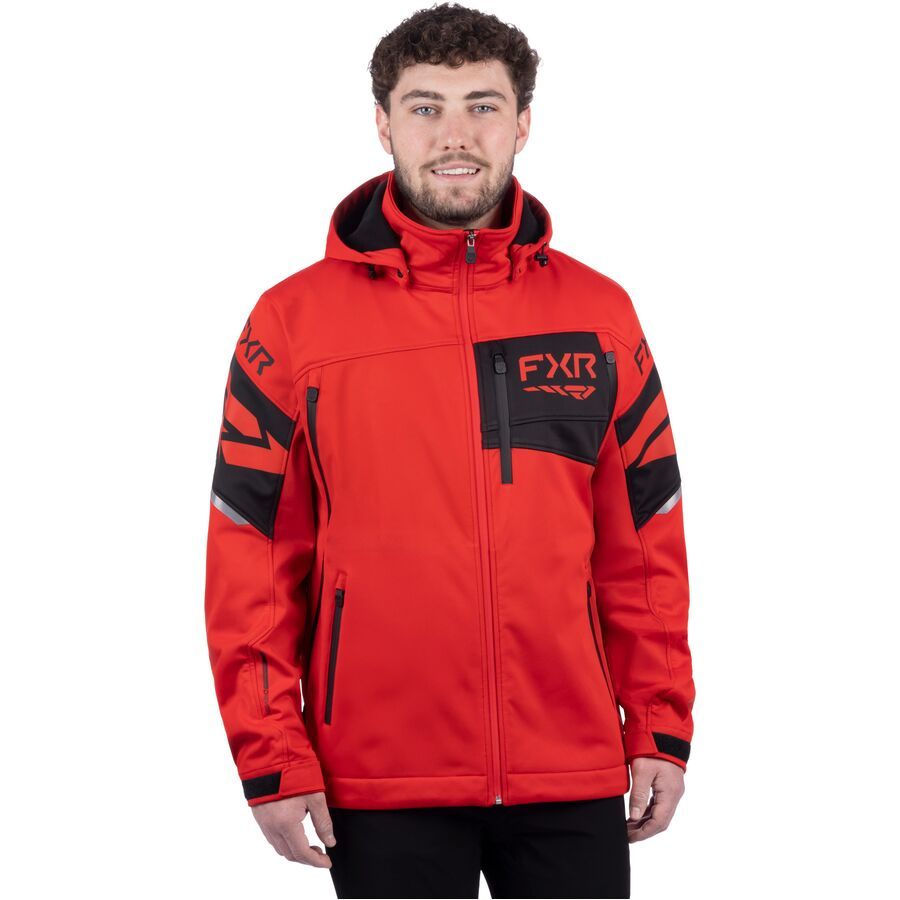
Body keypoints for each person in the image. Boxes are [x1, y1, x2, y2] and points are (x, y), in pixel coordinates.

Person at [204, 3, 695, 897]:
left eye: (483, 105)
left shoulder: (599, 315)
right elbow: (254, 557)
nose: (455, 135)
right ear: (383, 122)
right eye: (426, 106)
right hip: (378, 774)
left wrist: (658, 725)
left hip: (571, 766)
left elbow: (644, 543)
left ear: (523, 123)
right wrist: (271, 754)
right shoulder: (292, 323)